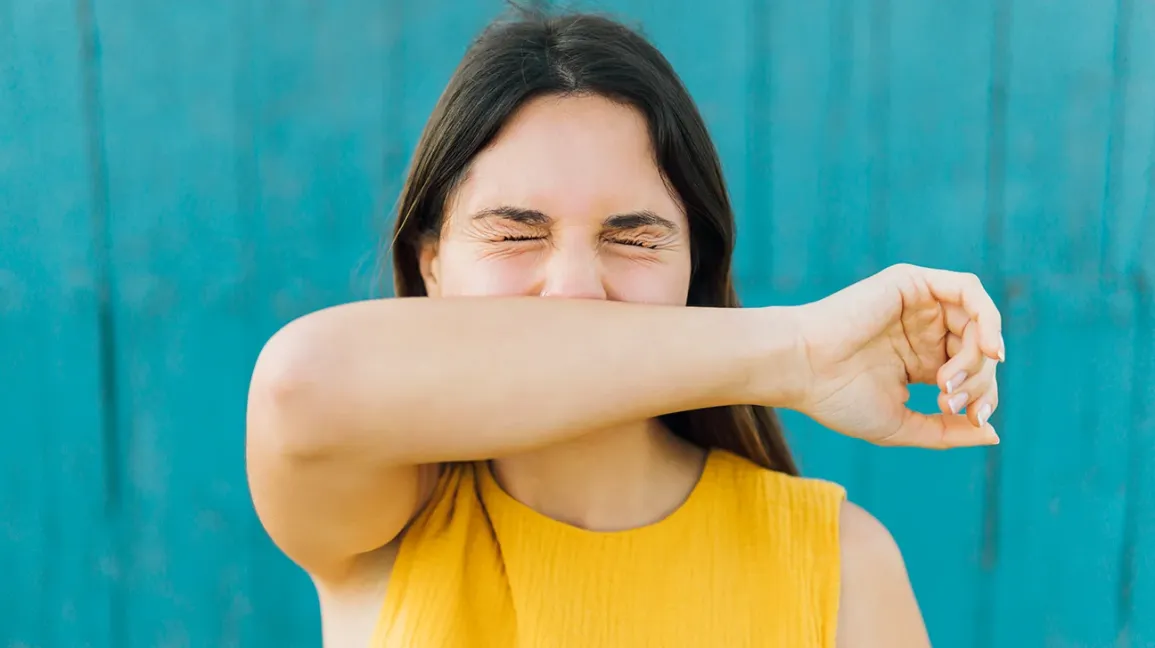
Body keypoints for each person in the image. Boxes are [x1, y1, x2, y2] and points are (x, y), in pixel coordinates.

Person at [246, 8, 1003, 648]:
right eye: (516, 233)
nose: (574, 288)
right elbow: (299, 383)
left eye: (633, 238)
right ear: (432, 262)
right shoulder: (383, 521)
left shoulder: (840, 562)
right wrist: (796, 352)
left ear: (692, 267)